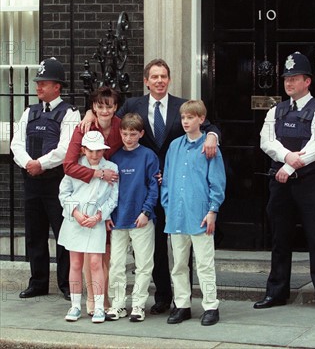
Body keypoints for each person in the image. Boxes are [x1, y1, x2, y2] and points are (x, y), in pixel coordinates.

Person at [81, 58, 221, 314]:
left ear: (169, 79)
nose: (159, 81)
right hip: (145, 187)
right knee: (154, 247)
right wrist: (90, 112)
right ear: (146, 81)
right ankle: (163, 297)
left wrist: (212, 136)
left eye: (163, 76)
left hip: (172, 185)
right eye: (154, 77)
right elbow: (111, 117)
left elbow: (207, 126)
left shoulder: (182, 106)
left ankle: (184, 301)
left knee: (182, 248)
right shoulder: (134, 104)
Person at [254, 52, 315, 314]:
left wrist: (289, 166)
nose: (289, 83)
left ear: (307, 81)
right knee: (280, 239)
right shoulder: (275, 110)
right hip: (280, 184)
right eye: (286, 79)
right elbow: (266, 141)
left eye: (294, 78)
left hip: (310, 183)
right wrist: (286, 157)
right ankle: (277, 292)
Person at [11, 57, 81, 300]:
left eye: (44, 83)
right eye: (37, 83)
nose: (38, 87)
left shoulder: (70, 113)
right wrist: (29, 164)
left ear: (57, 87)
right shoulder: (30, 111)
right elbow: (16, 143)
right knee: (34, 233)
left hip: (56, 182)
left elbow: (66, 149)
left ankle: (65, 283)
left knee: (63, 233)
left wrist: (40, 164)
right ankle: (38, 282)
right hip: (32, 181)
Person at [161, 100, 226, 326]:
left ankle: (210, 305)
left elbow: (217, 181)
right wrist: (167, 206)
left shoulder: (209, 147)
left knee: (205, 263)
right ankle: (182, 305)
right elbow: (167, 179)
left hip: (200, 214)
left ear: (201, 119)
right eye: (183, 118)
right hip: (177, 215)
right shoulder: (174, 147)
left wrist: (212, 211)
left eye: (190, 117)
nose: (186, 121)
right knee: (178, 263)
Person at [63, 86, 122, 314]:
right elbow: (69, 166)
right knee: (81, 260)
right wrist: (97, 173)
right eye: (99, 106)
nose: (104, 110)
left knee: (102, 255)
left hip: (111, 189)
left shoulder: (119, 125)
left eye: (109, 106)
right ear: (93, 108)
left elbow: (134, 139)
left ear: (115, 107)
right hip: (88, 190)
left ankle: (103, 302)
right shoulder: (84, 127)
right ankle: (86, 304)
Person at [58, 131, 118, 323]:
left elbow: (113, 197)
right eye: (91, 151)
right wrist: (75, 213)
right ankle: (75, 306)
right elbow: (63, 193)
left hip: (96, 221)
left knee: (95, 263)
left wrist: (100, 216)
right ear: (83, 150)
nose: (94, 155)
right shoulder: (75, 168)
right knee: (75, 263)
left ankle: (99, 307)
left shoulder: (111, 167)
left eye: (99, 151)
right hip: (75, 220)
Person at [105, 113, 159, 323]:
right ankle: (118, 305)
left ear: (141, 134)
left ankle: (138, 304)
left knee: (144, 264)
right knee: (116, 264)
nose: (128, 137)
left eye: (133, 134)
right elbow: (108, 190)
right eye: (125, 133)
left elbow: (154, 186)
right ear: (120, 132)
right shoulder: (115, 157)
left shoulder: (148, 156)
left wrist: (146, 212)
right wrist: (109, 214)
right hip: (118, 220)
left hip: (141, 220)